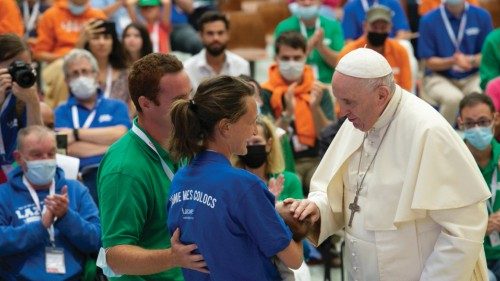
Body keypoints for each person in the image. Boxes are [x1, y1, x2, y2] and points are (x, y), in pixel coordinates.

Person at [287, 48, 491, 280]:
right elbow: (346, 190)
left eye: (348, 102)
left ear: (382, 95)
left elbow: (463, 231)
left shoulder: (428, 131)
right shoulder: (360, 119)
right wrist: (317, 207)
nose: (342, 112)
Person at [167, 75, 303, 280]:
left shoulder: (179, 179)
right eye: (251, 122)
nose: (255, 130)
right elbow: (294, 259)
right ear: (225, 127)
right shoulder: (244, 185)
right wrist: (295, 223)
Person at [96, 53, 206, 280]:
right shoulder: (124, 169)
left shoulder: (185, 140)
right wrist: (173, 258)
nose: (190, 106)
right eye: (179, 100)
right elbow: (115, 255)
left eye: (190, 95)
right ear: (145, 104)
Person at [0, 125, 101, 280]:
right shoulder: (4, 194)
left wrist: (66, 217)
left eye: (50, 154)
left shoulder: (75, 190)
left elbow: (96, 240)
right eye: (37, 155)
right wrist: (40, 227)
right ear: (19, 158)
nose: (45, 160)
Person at [261, 31, 334, 195]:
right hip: (283, 161)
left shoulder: (318, 90)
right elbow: (266, 136)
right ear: (276, 58)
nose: (291, 63)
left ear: (305, 58)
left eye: (297, 58)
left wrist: (315, 108)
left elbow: (330, 135)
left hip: (317, 159)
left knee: (322, 186)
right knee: (293, 183)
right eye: (285, 58)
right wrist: (287, 114)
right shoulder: (266, 92)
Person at [54, 49, 131, 205]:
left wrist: (75, 134)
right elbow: (61, 148)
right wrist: (109, 143)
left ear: (96, 75)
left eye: (85, 71)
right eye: (75, 73)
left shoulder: (116, 106)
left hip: (115, 173)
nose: (81, 77)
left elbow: (122, 135)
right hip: (79, 178)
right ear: (67, 80)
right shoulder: (60, 111)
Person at [418, 0, 493, 125]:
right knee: (452, 99)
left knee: (478, 97)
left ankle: (479, 139)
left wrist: (470, 60)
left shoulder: (482, 16)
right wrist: (453, 61)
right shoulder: (428, 20)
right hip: (440, 77)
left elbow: (487, 55)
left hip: (472, 76)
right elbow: (429, 61)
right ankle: (442, 140)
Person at [33, 0, 107, 109]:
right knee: (64, 69)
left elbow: (106, 44)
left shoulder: (97, 15)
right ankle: (62, 116)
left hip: (91, 62)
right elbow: (38, 54)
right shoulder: (51, 15)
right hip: (56, 65)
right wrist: (77, 47)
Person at [458, 93, 500, 281]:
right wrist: (480, 226)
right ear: (460, 124)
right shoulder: (453, 163)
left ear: (495, 119)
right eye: (470, 123)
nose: (477, 129)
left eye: (483, 122)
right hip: (472, 255)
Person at [338, 5, 412, 92]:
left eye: (383, 27)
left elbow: (406, 89)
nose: (379, 31)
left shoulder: (399, 51)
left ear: (390, 27)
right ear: (365, 26)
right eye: (374, 27)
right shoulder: (349, 52)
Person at [0, 34, 43, 184]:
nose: (20, 72)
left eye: (26, 67)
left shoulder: (24, 96)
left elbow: (39, 145)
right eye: (14, 66)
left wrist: (33, 103)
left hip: (18, 175)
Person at [232, 115, 304, 202]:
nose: (250, 146)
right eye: (246, 143)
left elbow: (296, 214)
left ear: (269, 144)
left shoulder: (290, 181)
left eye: (256, 141)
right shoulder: (232, 184)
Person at [274, 0, 344, 84]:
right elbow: (279, 62)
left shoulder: (333, 26)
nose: (307, 3)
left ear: (320, 1)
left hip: (328, 83)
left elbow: (340, 64)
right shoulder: (284, 26)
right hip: (296, 84)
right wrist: (310, 44)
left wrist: (321, 47)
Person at [184, 11, 250, 91]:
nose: (216, 38)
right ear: (201, 36)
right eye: (210, 33)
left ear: (228, 34)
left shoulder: (241, 65)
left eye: (220, 33)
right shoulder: (188, 68)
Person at [84, 21, 131, 108]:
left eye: (106, 37)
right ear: (87, 43)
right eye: (96, 38)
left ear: (113, 42)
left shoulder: (126, 74)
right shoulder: (80, 74)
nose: (102, 42)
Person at [341, 0, 411, 42]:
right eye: (375, 26)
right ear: (364, 25)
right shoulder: (351, 6)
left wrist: (387, 47)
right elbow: (348, 40)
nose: (378, 30)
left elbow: (403, 32)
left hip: (389, 47)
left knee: (405, 44)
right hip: (362, 50)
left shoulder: (392, 3)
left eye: (382, 27)